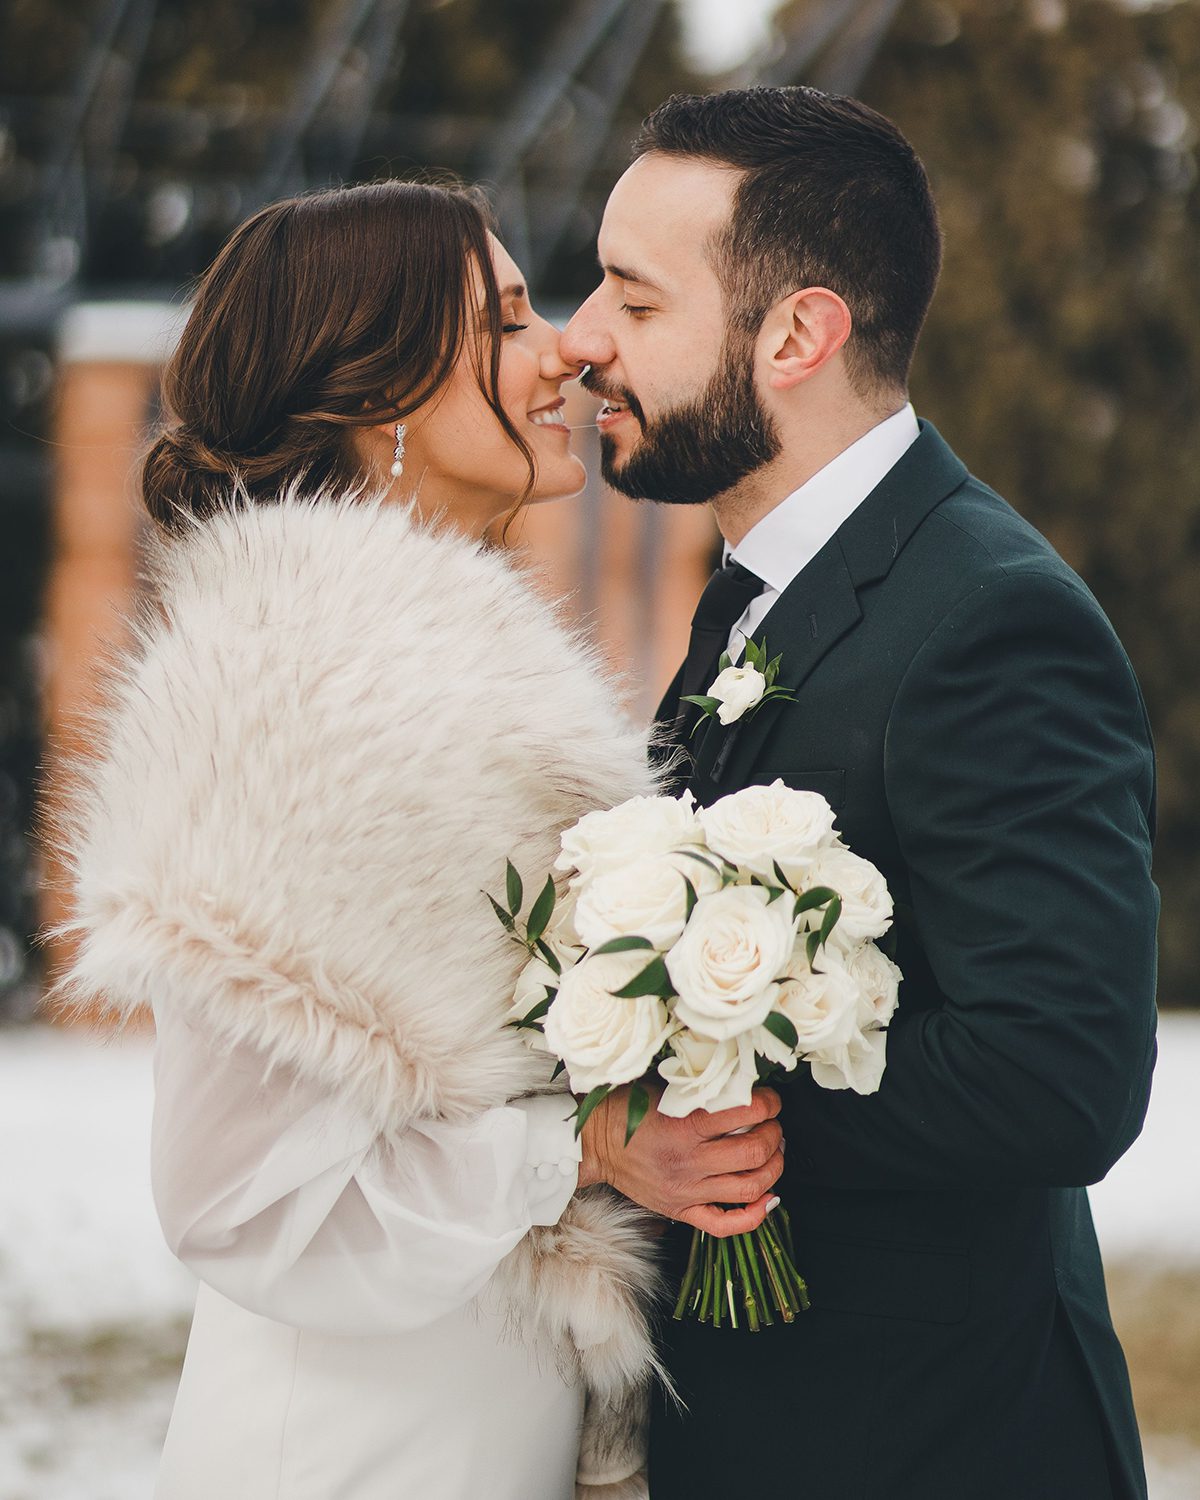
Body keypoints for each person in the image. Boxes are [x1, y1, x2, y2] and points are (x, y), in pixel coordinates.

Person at [53, 180, 785, 1500]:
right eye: (505, 319)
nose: (564, 345)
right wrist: (583, 1150)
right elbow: (231, 1200)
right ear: (378, 390)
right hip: (350, 1448)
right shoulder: (287, 698)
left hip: (490, 1419)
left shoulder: (429, 677)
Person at [561, 87, 1158, 1500]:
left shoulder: (989, 619)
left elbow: (1058, 1076)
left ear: (796, 336)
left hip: (934, 1445)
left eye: (636, 306)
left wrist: (710, 1110)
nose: (584, 338)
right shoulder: (763, 585)